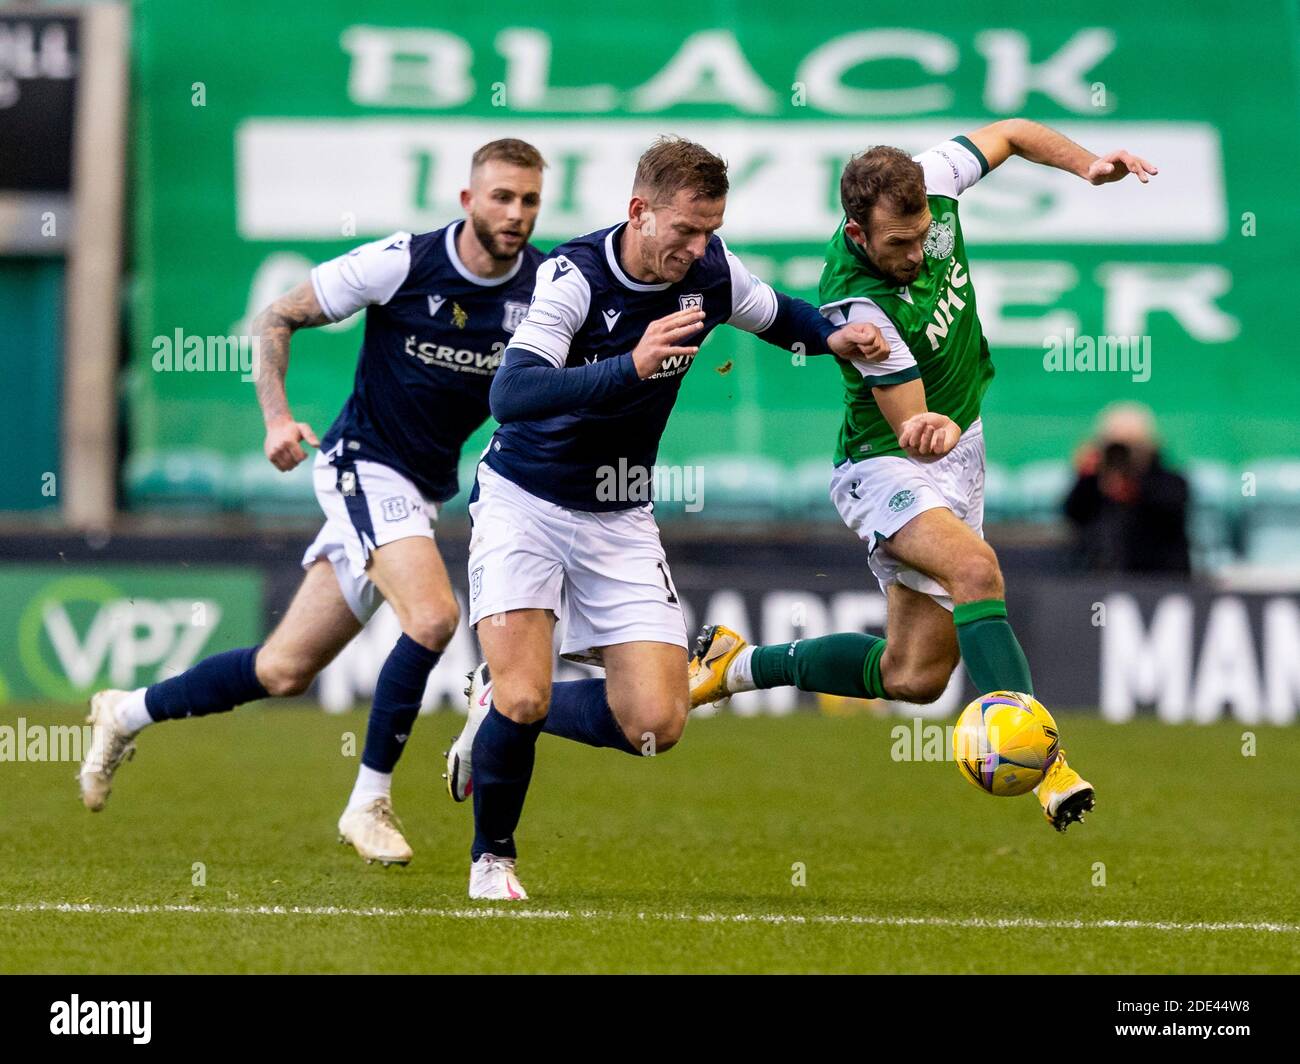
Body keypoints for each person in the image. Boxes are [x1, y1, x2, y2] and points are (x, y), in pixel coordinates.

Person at [443, 136, 893, 900]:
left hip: (618, 513)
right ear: (638, 212)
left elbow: (777, 313)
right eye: (683, 229)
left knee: (657, 723)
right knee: (529, 693)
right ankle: (494, 860)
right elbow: (509, 396)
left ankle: (495, 702)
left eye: (709, 229)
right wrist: (630, 366)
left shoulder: (710, 272)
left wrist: (830, 336)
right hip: (525, 502)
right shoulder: (572, 277)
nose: (697, 246)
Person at [79, 140, 547, 866]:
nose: (515, 213)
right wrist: (275, 418)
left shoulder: (544, 287)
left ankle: (125, 711)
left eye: (528, 200)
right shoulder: (403, 262)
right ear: (467, 200)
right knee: (432, 617)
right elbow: (277, 317)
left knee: (282, 671)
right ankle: (368, 802)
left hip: (420, 495)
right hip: (362, 466)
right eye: (502, 197)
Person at [689, 120, 1160, 832]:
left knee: (913, 676)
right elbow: (908, 421)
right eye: (896, 245)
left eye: (920, 238)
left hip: (961, 449)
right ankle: (1048, 763)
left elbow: (1013, 133)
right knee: (976, 571)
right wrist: (924, 427)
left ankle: (739, 664)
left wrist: (1090, 166)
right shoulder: (853, 299)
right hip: (887, 464)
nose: (913, 255)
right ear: (856, 232)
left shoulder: (932, 180)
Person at [1064, 402, 1191, 574]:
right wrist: (1086, 477)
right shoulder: (1095, 482)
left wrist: (1136, 486)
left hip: (1158, 578)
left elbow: (1170, 507)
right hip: (1099, 579)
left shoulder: (1170, 481)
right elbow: (1074, 513)